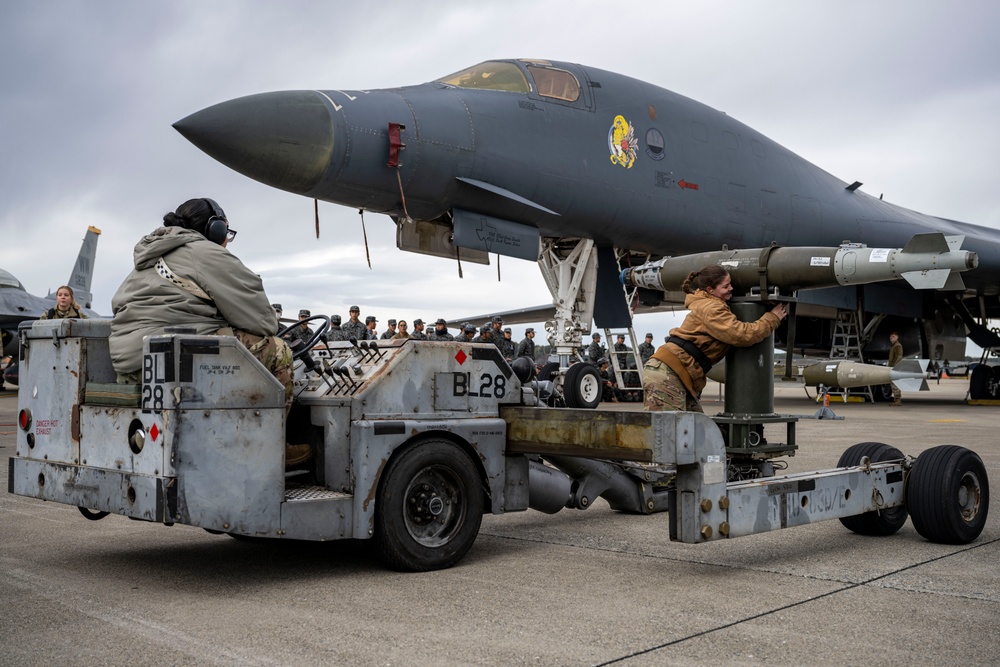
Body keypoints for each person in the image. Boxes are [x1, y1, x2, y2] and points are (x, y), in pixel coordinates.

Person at [107, 198, 309, 465]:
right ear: (215, 229)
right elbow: (263, 323)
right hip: (178, 360)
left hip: (134, 365)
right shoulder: (207, 253)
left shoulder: (151, 256)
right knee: (278, 349)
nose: (226, 239)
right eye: (226, 232)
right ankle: (268, 449)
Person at [643, 265, 787, 413]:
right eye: (726, 286)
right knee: (670, 432)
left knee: (699, 431)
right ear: (711, 290)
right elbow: (743, 335)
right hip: (668, 373)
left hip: (677, 372)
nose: (731, 288)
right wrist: (772, 318)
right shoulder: (712, 308)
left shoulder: (710, 303)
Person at [888, 331, 904, 406]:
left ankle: (898, 400)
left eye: (893, 336)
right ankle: (896, 399)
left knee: (895, 383)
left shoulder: (897, 346)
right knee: (893, 383)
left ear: (897, 337)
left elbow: (898, 357)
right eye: (891, 336)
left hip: (895, 367)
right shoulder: (894, 346)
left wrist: (893, 366)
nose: (891, 338)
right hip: (894, 366)